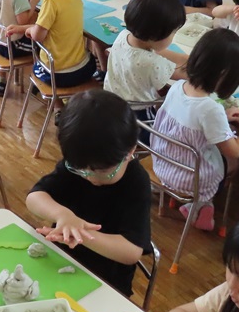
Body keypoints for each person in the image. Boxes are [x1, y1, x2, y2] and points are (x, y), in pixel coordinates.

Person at [27, 90, 152, 296]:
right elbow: (34, 198)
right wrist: (63, 215)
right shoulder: (80, 162)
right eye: (80, 170)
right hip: (59, 261)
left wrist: (81, 235)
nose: (90, 177)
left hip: (105, 283)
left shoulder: (136, 183)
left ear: (130, 151)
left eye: (102, 172)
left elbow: (131, 251)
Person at [152, 29, 239, 232]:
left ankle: (199, 206)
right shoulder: (210, 109)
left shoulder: (178, 87)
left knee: (213, 150)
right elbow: (235, 150)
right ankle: (202, 203)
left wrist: (223, 117)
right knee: (236, 162)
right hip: (189, 180)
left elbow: (193, 120)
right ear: (224, 75)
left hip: (162, 164)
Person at [103, 0, 186, 117]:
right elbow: (183, 74)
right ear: (154, 35)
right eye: (174, 32)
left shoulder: (124, 36)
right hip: (137, 112)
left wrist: (188, 58)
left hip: (111, 102)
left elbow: (161, 53)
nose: (173, 36)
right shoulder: (152, 63)